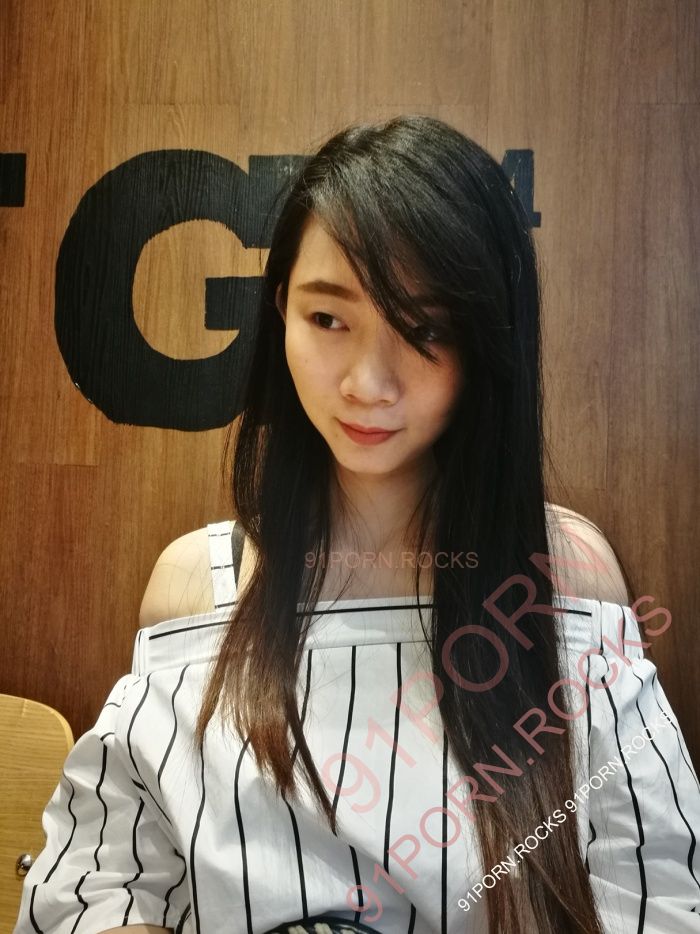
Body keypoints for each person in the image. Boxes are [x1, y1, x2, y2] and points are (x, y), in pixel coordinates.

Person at [14, 114, 700, 934]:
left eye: (424, 329)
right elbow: (103, 883)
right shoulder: (200, 585)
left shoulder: (564, 578)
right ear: (282, 312)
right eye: (328, 320)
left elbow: (657, 888)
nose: (368, 384)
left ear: (488, 342)